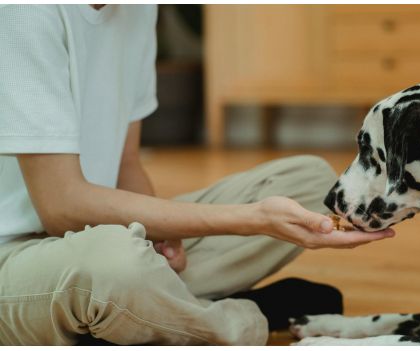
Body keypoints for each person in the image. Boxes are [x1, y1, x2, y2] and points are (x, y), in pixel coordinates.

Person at [0, 4, 395, 345]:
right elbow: (61, 206)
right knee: (116, 266)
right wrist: (253, 219)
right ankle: (242, 321)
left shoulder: (137, 8)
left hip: (93, 235)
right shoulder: (24, 11)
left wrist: (160, 235)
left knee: (308, 182)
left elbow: (127, 163)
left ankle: (140, 316)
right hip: (15, 261)